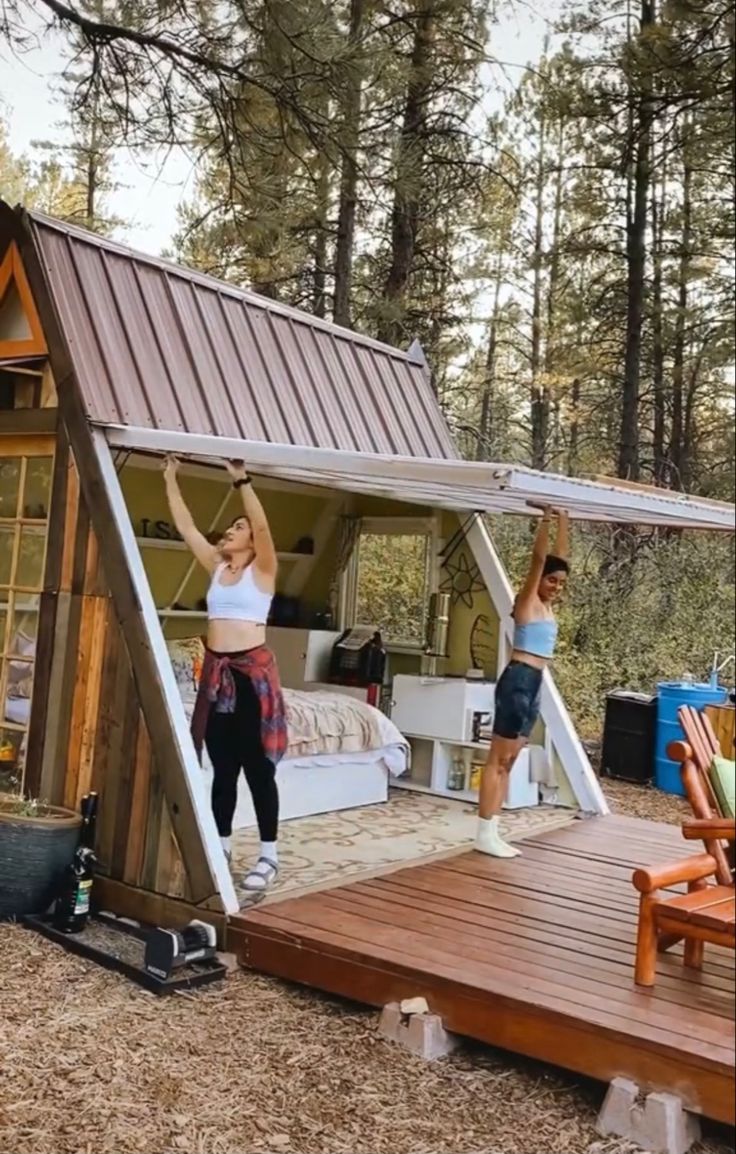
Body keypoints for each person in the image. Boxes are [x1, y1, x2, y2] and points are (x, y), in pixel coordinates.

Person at [163, 455, 287, 899]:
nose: (231, 531)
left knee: (257, 770)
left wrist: (242, 481)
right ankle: (222, 845)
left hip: (250, 678)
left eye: (239, 528)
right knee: (223, 769)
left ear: (253, 542)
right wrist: (169, 476)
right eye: (232, 527)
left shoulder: (264, 571)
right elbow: (186, 527)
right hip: (218, 676)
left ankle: (269, 854)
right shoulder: (217, 568)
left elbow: (264, 528)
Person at [476, 506, 570, 858]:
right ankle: (483, 832)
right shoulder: (527, 600)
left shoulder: (547, 606)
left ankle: (493, 830)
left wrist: (564, 519)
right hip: (518, 679)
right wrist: (545, 518)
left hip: (535, 683)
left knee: (511, 761)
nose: (556, 587)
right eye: (551, 580)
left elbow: (559, 558)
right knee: (497, 760)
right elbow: (539, 559)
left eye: (561, 583)